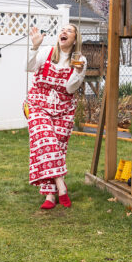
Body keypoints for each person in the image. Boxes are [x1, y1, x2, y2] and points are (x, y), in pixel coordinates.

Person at [26, 23, 87, 209]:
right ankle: (61, 187)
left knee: (57, 148)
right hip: (38, 103)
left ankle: (50, 196)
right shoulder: (46, 52)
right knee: (46, 141)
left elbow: (70, 89)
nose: (64, 32)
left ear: (75, 39)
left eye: (69, 31)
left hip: (64, 108)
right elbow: (28, 67)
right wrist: (34, 47)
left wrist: (77, 72)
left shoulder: (80, 59)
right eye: (62, 29)